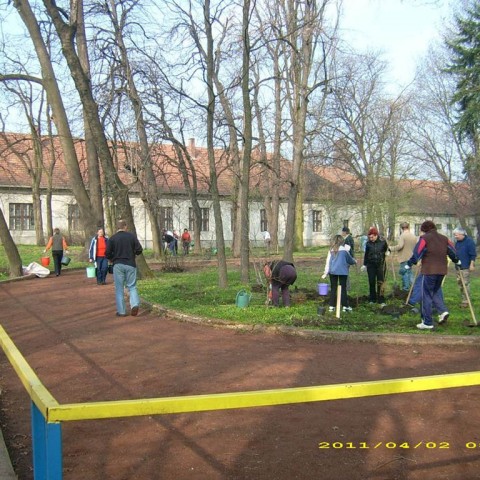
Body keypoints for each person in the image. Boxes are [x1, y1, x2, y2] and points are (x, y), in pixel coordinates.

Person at [406, 220, 459, 330]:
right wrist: (457, 261)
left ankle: (427, 322)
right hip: (442, 271)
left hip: (429, 270)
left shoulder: (424, 238)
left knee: (426, 295)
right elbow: (452, 251)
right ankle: (443, 311)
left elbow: (418, 251)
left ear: (424, 229)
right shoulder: (444, 238)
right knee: (434, 292)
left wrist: (410, 263)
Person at [106, 219, 143, 317]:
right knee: (132, 286)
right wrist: (133, 254)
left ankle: (121, 311)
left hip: (118, 264)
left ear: (117, 227)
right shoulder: (131, 237)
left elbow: (107, 253)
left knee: (119, 288)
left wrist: (112, 259)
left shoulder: (113, 238)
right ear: (125, 226)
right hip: (130, 263)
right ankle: (134, 304)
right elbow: (139, 249)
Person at [322, 235, 356, 312]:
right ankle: (345, 306)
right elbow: (350, 260)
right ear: (342, 241)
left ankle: (331, 306)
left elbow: (328, 262)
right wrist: (355, 261)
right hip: (343, 272)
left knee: (333, 288)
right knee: (343, 288)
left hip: (332, 272)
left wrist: (326, 272)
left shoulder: (331, 250)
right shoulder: (344, 250)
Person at [361, 227, 389, 305]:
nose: (371, 238)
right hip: (371, 266)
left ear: (376, 235)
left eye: (372, 237)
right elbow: (366, 255)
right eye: (369, 237)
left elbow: (387, 249)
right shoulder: (368, 244)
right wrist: (364, 264)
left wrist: (388, 252)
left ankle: (381, 299)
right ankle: (372, 299)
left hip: (381, 265)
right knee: (371, 282)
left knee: (380, 282)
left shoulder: (383, 242)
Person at [389, 222, 417, 291]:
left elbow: (400, 246)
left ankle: (405, 289)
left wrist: (390, 248)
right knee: (409, 273)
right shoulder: (413, 236)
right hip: (411, 258)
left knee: (404, 273)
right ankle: (415, 288)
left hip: (404, 258)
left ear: (402, 228)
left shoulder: (403, 235)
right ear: (408, 227)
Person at [452, 227, 477, 308]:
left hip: (465, 266)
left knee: (465, 284)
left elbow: (473, 254)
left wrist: (472, 264)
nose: (455, 236)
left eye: (456, 235)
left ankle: (466, 302)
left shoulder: (469, 242)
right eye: (454, 235)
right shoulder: (457, 242)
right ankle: (464, 299)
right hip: (458, 267)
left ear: (462, 234)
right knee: (460, 284)